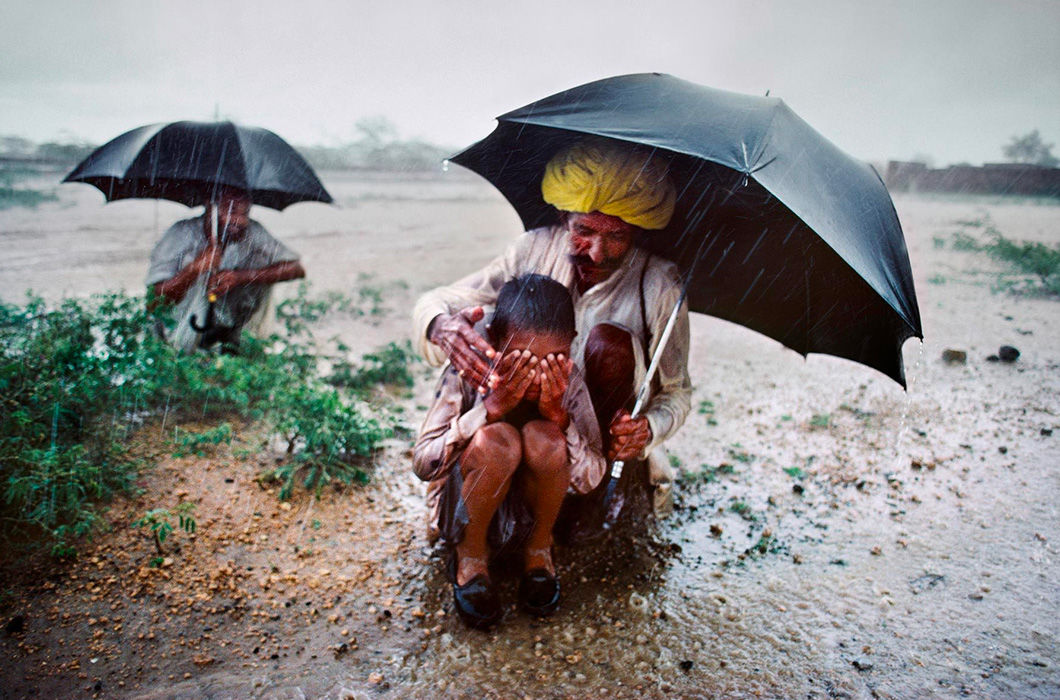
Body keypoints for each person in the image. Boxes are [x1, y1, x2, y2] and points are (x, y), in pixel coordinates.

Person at [413, 138, 692, 522]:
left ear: (639, 233)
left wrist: (647, 429)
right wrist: (441, 326)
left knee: (609, 344)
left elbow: (676, 393)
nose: (596, 252)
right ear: (564, 217)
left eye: (617, 237)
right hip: (517, 424)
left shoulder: (660, 285)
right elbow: (443, 300)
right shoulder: (532, 250)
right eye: (584, 231)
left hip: (590, 443)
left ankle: (589, 504)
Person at [413, 274, 606, 628]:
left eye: (553, 361)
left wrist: (561, 419)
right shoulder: (467, 370)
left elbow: (591, 478)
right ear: (496, 340)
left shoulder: (570, 381)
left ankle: (538, 550)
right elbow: (425, 464)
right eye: (521, 361)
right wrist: (488, 410)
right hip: (466, 508)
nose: (537, 376)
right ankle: (471, 556)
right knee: (498, 441)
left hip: (531, 512)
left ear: (571, 345)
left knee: (545, 438)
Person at [146, 186, 305, 352]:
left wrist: (239, 277)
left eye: (244, 213)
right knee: (193, 278)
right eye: (231, 211)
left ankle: (246, 346)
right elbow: (153, 303)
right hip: (179, 330)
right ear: (210, 207)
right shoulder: (180, 234)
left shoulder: (252, 232)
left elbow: (296, 268)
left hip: (228, 323)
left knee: (264, 266)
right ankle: (182, 352)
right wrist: (193, 270)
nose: (240, 221)